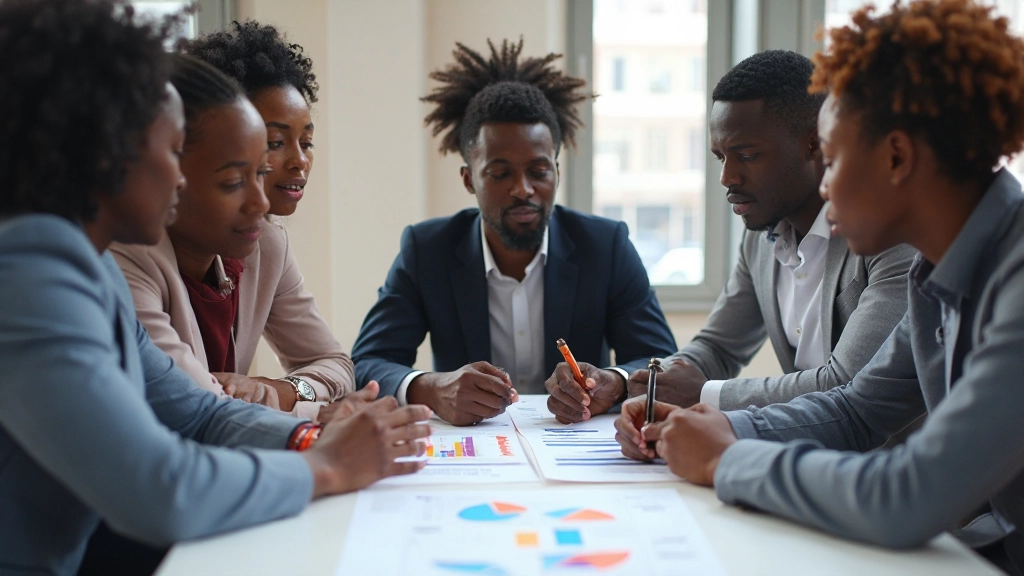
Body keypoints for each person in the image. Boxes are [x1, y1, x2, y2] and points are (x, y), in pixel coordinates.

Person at [0, 2, 429, 574]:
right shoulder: (30, 279)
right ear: (106, 151)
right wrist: (327, 467)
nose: (181, 179)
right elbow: (159, 488)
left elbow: (199, 415)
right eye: (176, 152)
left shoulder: (86, 267)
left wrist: (310, 435)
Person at [616, 1, 1024, 572]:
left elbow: (909, 495)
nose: (824, 189)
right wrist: (719, 427)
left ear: (897, 156)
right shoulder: (937, 274)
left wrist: (727, 460)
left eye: (830, 160)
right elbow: (857, 411)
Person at [351, 39, 677, 426]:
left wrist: (614, 382)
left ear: (557, 172)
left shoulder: (605, 246)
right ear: (469, 179)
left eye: (539, 171)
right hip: (473, 451)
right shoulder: (427, 249)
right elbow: (366, 363)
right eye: (501, 173)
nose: (523, 189)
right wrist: (431, 388)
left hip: (574, 447)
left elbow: (662, 362)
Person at [616, 50, 916, 416]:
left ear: (814, 143)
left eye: (747, 155)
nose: (728, 177)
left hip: (886, 462)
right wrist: (622, 384)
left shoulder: (887, 234)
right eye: (720, 157)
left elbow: (848, 383)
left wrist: (707, 395)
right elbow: (718, 349)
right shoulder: (760, 235)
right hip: (803, 448)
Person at [113, 24, 357, 423]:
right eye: (274, 143)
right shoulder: (130, 256)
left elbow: (335, 364)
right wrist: (320, 416)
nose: (298, 161)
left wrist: (284, 389)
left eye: (306, 142)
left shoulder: (265, 243)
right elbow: (197, 408)